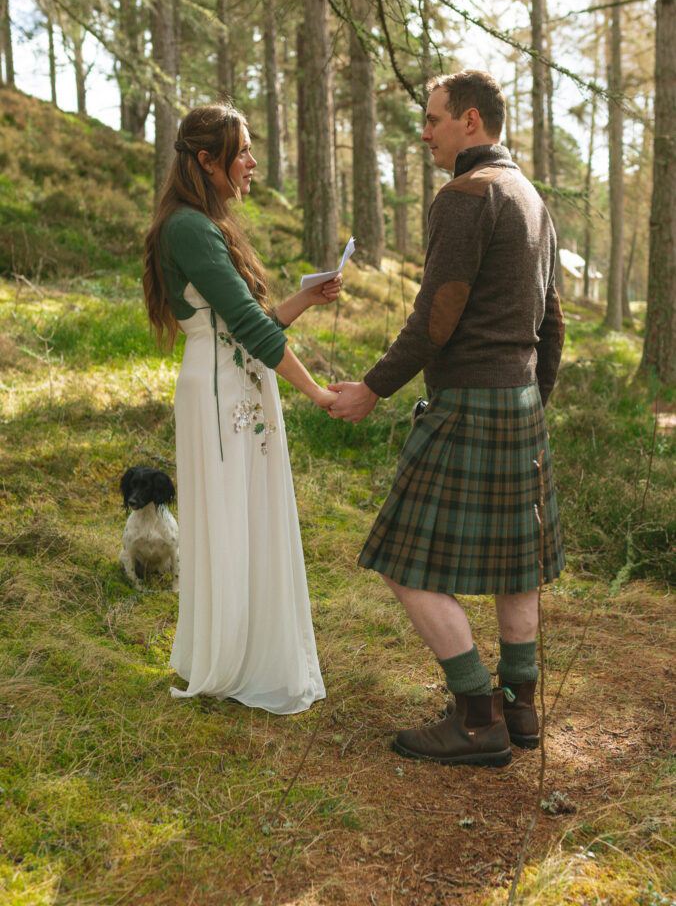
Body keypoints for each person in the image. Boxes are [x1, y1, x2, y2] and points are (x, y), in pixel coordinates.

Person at [329, 69, 566, 765]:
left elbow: (436, 317)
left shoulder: (465, 196)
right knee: (515, 563)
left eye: (432, 119)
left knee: (402, 558)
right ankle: (521, 709)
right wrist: (532, 397)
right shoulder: (529, 196)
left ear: (470, 121)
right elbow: (552, 321)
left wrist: (373, 387)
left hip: (467, 401)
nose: (424, 132)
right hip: (519, 403)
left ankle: (473, 715)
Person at [143, 102, 339, 714]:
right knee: (229, 515)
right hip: (223, 391)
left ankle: (247, 647)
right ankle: (231, 658)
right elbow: (251, 331)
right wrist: (321, 394)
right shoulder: (189, 229)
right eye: (242, 151)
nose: (253, 162)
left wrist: (305, 298)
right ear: (207, 160)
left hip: (238, 383)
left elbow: (248, 322)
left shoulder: (205, 224)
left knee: (246, 513)